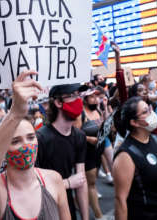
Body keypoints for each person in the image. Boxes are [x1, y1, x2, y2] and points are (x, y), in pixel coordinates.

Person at [0, 70, 70, 220]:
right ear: (2, 150)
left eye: (31, 137)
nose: (26, 145)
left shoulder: (54, 179)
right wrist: (15, 113)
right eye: (15, 141)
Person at [36, 83, 89, 220]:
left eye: (79, 95)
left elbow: (81, 181)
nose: (79, 100)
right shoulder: (40, 139)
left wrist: (85, 217)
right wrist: (68, 183)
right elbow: (32, 184)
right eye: (73, 96)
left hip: (68, 206)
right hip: (45, 209)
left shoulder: (79, 136)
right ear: (59, 102)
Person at [75, 86, 109, 220]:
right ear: (84, 99)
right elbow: (75, 134)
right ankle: (99, 215)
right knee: (92, 184)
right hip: (86, 152)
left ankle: (79, 201)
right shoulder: (80, 114)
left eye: (97, 96)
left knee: (89, 182)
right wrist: (90, 139)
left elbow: (105, 124)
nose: (96, 99)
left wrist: (105, 107)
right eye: (92, 97)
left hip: (97, 150)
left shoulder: (98, 111)